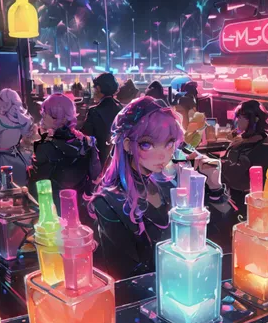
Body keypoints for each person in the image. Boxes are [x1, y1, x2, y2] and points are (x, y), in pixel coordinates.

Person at [89, 97, 234, 281]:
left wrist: (214, 187)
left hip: (190, 285)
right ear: (127, 145)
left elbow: (221, 235)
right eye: (147, 144)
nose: (163, 154)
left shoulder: (169, 185)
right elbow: (126, 276)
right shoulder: (108, 202)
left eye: (169, 143)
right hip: (150, 299)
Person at [28, 94, 101, 218]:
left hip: (54, 213)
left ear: (60, 118)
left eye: (46, 113)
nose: (42, 116)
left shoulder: (44, 146)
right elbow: (95, 174)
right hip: (83, 210)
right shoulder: (88, 142)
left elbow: (36, 188)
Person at [221, 100, 268, 216]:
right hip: (234, 190)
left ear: (254, 119)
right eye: (238, 117)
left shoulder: (262, 144)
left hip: (244, 195)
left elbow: (239, 171)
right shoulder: (248, 138)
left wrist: (217, 164)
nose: (237, 120)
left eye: (242, 118)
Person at [0, 89, 34, 186]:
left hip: (3, 160)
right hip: (20, 158)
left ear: (3, 104)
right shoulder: (22, 119)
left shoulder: (0, 121)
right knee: (19, 187)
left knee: (5, 189)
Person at [82, 72, 122, 167]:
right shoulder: (121, 108)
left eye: (94, 87)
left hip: (101, 161)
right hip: (119, 159)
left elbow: (85, 137)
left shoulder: (94, 112)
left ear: (99, 88)